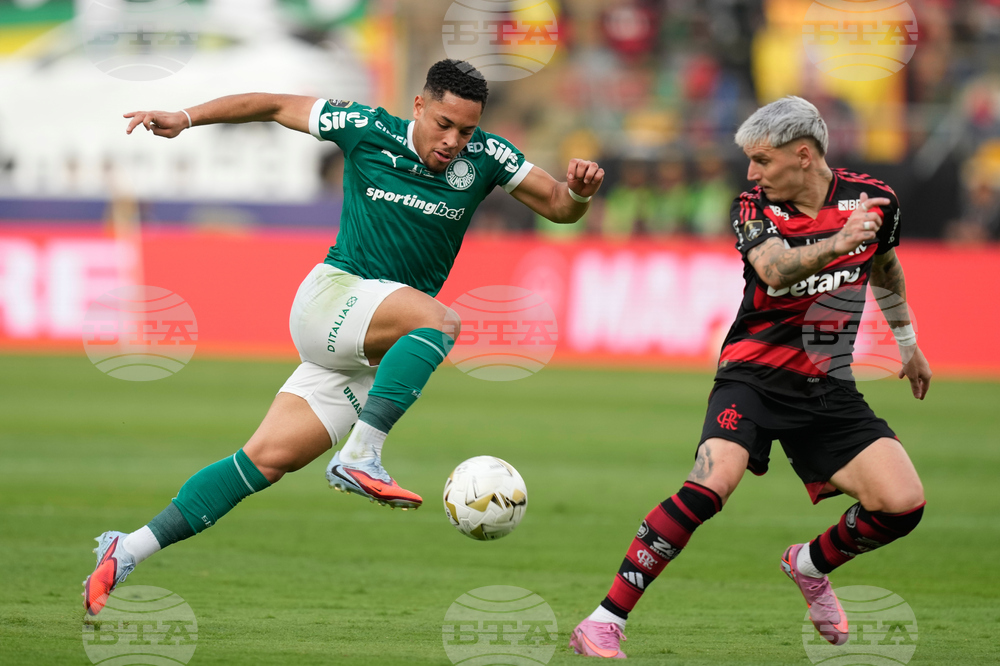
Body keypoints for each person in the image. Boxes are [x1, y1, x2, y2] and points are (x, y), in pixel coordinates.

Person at [83, 59, 605, 615]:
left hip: (371, 345)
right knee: (443, 321)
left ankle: (129, 547)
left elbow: (557, 206)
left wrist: (579, 193)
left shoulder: (488, 157)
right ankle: (362, 454)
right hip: (333, 297)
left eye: (467, 130)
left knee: (263, 461)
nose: (454, 141)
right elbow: (275, 104)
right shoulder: (365, 127)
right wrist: (186, 117)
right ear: (420, 107)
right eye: (444, 124)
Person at [569, 96, 930, 659]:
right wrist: (839, 243)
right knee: (710, 485)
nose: (751, 173)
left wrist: (907, 343)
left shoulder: (875, 200)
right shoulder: (754, 206)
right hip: (752, 376)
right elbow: (773, 269)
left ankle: (808, 565)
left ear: (804, 155)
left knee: (903, 504)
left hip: (828, 383)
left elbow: (884, 263)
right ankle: (603, 621)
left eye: (762, 160)